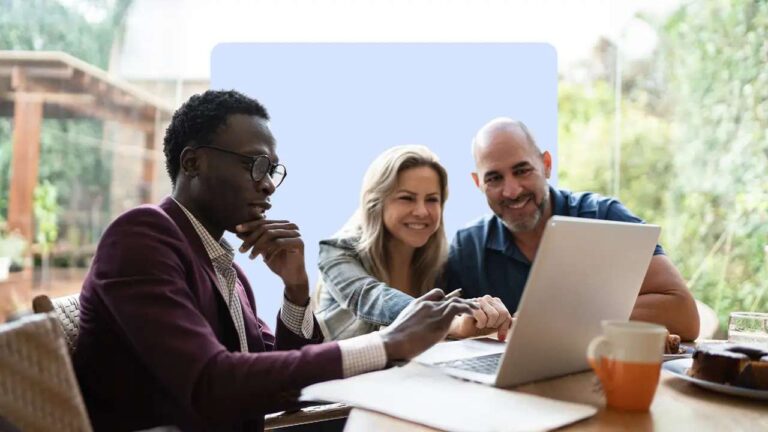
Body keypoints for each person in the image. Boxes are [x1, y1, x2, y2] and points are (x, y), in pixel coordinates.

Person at [72, 90, 476, 432]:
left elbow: (282, 377)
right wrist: (387, 343)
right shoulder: (143, 235)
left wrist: (296, 290)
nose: (267, 184)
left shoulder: (226, 268)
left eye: (273, 170)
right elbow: (211, 381)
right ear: (193, 163)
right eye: (255, 165)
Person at [443, 117, 700, 341]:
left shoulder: (605, 217)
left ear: (546, 165)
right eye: (494, 178)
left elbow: (683, 314)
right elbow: (432, 321)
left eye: (522, 171)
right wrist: (461, 324)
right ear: (478, 183)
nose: (512, 190)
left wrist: (559, 317)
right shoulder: (467, 246)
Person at [314, 145, 513, 342]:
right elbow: (371, 298)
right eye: (407, 198)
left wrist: (487, 315)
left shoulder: (440, 262)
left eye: (432, 199)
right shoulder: (335, 251)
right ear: (376, 203)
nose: (422, 211)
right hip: (339, 373)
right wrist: (450, 321)